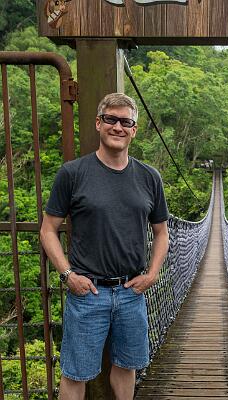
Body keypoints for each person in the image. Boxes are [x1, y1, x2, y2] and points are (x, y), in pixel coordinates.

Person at [40, 93, 169, 400]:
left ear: (134, 130)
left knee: (126, 368)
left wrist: (152, 274)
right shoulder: (72, 173)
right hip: (87, 292)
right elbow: (48, 230)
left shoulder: (150, 177)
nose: (118, 127)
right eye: (110, 119)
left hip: (131, 292)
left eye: (126, 122)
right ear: (98, 123)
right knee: (75, 374)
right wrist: (67, 275)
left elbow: (162, 232)